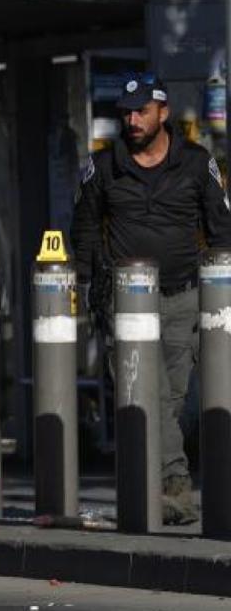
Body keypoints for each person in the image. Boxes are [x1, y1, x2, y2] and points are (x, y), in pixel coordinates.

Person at [71, 73, 231, 525]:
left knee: (169, 400)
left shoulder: (197, 163)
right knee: (148, 392)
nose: (133, 120)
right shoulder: (103, 167)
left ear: (163, 112)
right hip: (126, 301)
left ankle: (148, 486)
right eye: (126, 113)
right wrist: (82, 287)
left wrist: (221, 290)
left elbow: (222, 230)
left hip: (184, 298)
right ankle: (174, 487)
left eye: (141, 111)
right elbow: (84, 228)